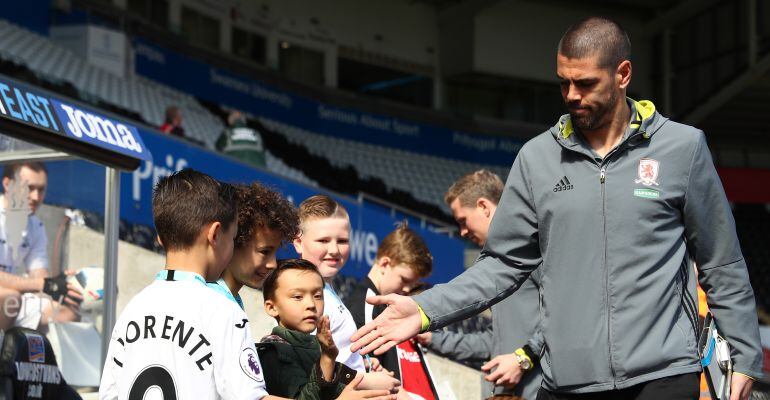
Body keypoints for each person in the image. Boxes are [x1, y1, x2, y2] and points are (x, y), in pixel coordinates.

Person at [351, 17, 763, 400]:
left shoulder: (682, 148)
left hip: (664, 374)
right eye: (563, 83)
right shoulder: (536, 159)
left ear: (623, 75)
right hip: (568, 380)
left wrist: (745, 353)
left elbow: (720, 261)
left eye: (584, 83)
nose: (571, 96)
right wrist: (426, 309)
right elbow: (501, 265)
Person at [99, 169, 275, 400]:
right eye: (232, 239)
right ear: (215, 234)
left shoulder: (133, 308)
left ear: (161, 238)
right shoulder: (222, 310)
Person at [416, 169, 543, 400]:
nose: (463, 232)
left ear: (484, 207)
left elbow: (564, 319)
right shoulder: (498, 265)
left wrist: (523, 359)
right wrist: (434, 339)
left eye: (462, 221)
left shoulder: (535, 250)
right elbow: (493, 341)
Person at [293, 195, 400, 391]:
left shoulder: (328, 291)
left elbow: (338, 357)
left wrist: (363, 364)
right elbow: (310, 364)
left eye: (342, 240)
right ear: (298, 242)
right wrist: (367, 380)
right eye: (323, 240)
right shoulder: (304, 295)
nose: (334, 249)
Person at [257, 259, 398, 400]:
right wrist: (327, 358)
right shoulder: (274, 352)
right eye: (298, 297)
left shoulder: (314, 345)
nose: (311, 304)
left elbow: (335, 388)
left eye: (318, 296)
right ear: (271, 307)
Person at [0, 162, 82, 332]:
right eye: (29, 188)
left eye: (41, 189)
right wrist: (43, 284)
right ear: (7, 184)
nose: (36, 197)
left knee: (67, 313)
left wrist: (60, 284)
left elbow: (40, 278)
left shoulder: (35, 226)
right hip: (8, 298)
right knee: (10, 297)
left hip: (12, 301)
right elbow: (39, 283)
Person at [346, 222, 432, 382]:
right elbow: (364, 374)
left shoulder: (380, 307)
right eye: (404, 280)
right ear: (385, 264)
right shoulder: (365, 306)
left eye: (413, 284)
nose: (407, 290)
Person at [207, 182, 299, 308]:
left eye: (274, 252)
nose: (273, 264)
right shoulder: (213, 303)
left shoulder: (230, 301)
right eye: (265, 252)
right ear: (233, 242)